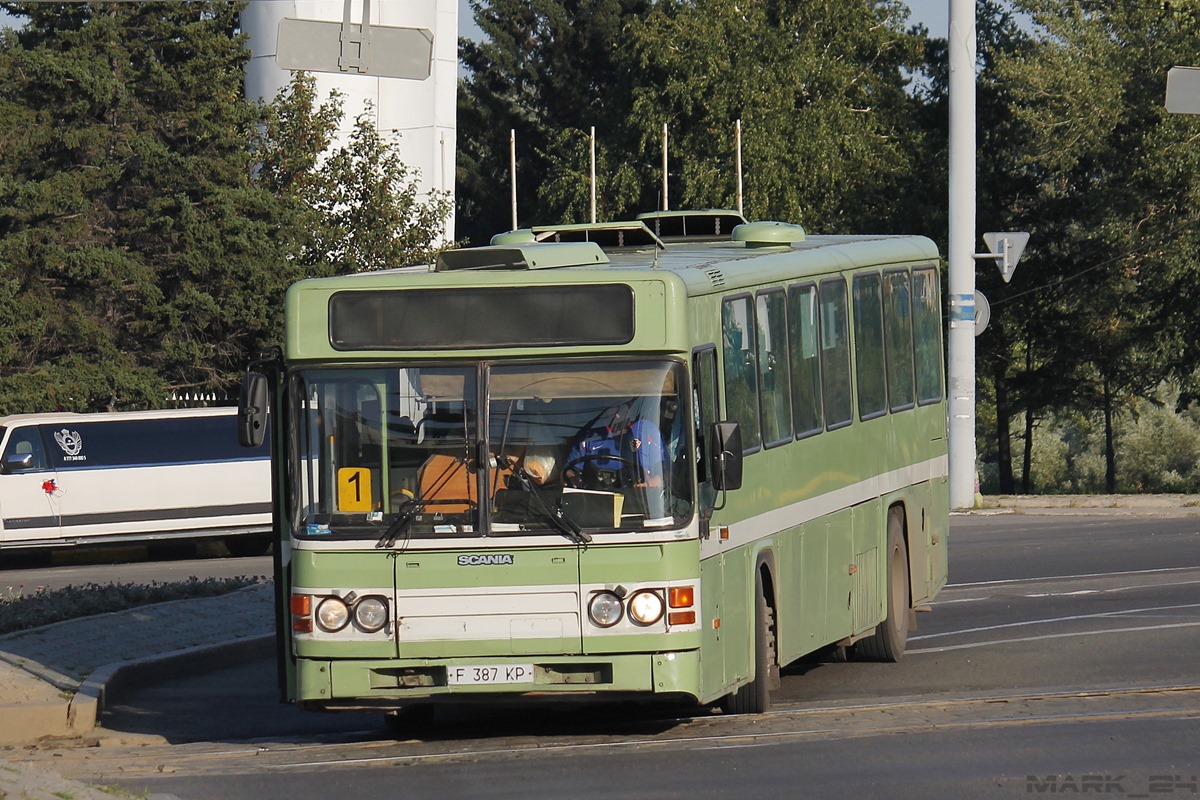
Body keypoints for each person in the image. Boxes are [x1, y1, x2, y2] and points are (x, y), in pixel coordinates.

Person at [563, 401, 665, 492]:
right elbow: (568, 472)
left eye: (622, 406)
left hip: (637, 502)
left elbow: (666, 475)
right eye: (613, 406)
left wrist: (647, 484)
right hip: (593, 499)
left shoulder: (647, 431)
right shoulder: (590, 433)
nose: (617, 414)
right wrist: (573, 479)